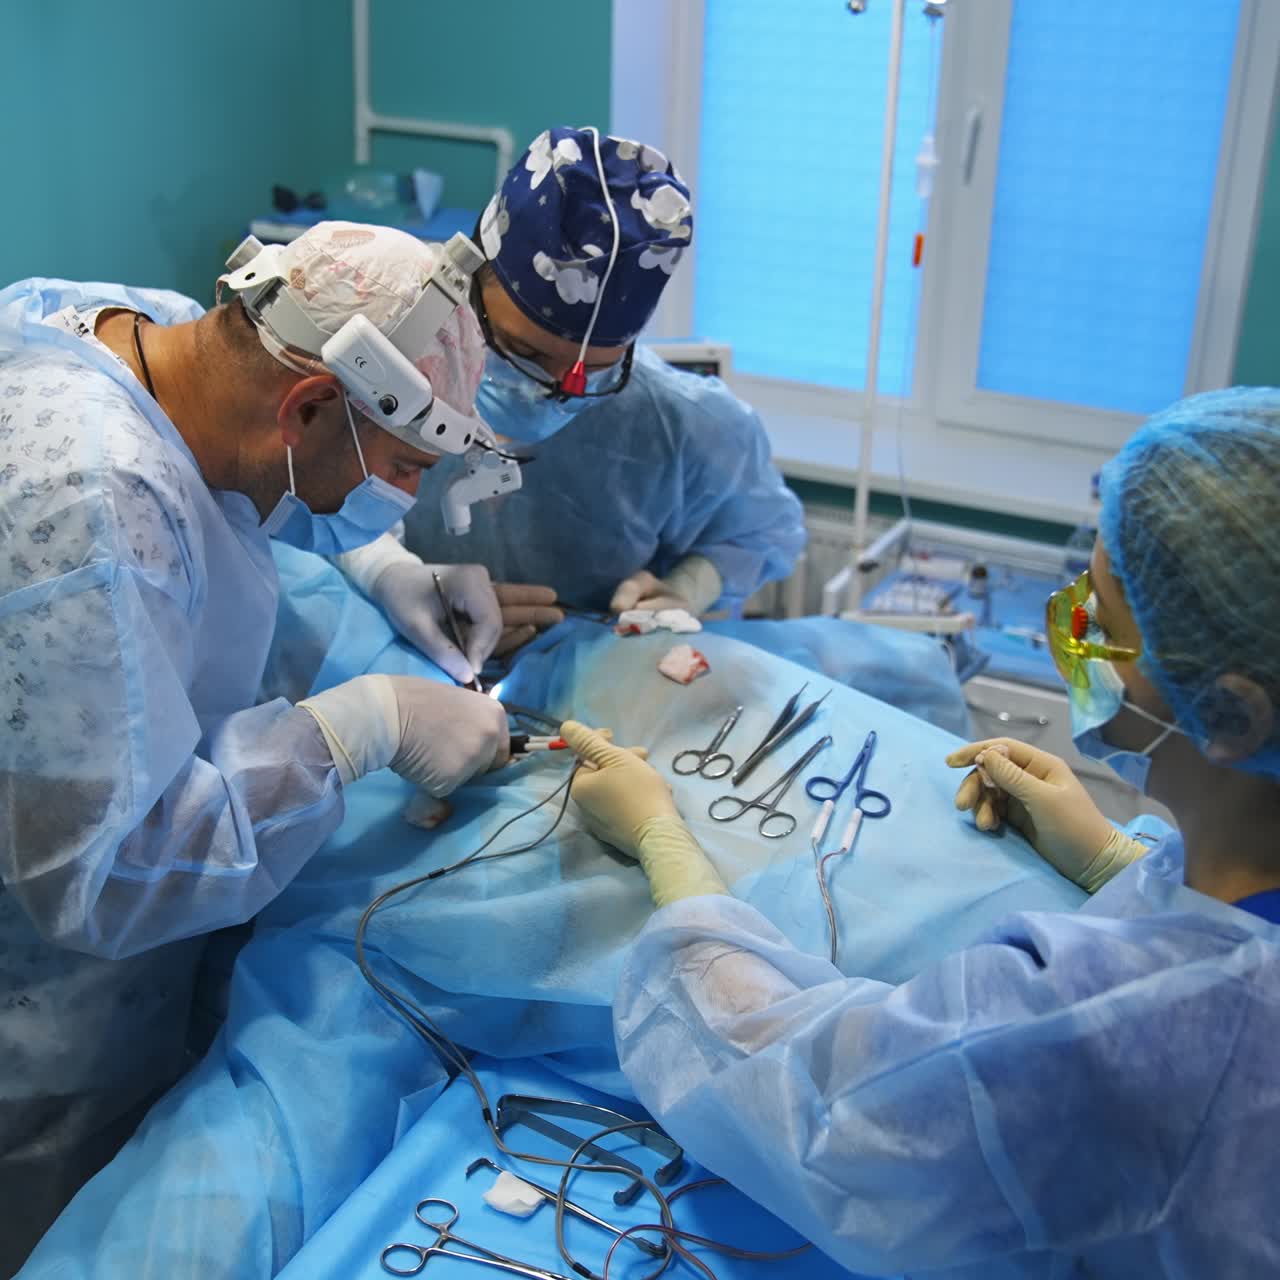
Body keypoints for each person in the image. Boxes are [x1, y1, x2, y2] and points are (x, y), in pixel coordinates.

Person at [560, 388, 1280, 1277]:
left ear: (1232, 716)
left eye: (1096, 619)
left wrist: (664, 845)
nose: (1069, 628)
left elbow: (815, 1114)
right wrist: (1113, 860)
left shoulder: (1111, 1024)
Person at [0, 222, 510, 1271]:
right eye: (402, 469)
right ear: (307, 406)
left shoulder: (156, 332)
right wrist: (362, 726)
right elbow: (109, 876)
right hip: (38, 1015)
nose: (408, 499)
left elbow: (219, 484)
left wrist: (378, 561)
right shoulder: (90, 505)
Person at [363, 127, 807, 656]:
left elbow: (761, 533)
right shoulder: (381, 365)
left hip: (591, 680)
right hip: (401, 661)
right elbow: (303, 511)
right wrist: (386, 574)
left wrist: (687, 588)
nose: (553, 393)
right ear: (467, 280)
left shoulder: (681, 425)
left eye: (593, 371)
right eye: (523, 353)